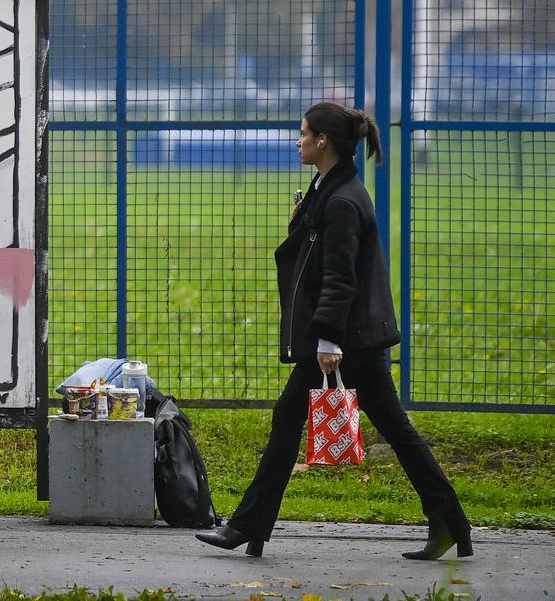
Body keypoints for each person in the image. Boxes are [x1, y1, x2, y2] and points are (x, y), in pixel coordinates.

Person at [197, 102, 471, 560]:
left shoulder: (342, 200)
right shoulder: (331, 186)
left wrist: (328, 341)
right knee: (386, 430)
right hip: (353, 337)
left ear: (323, 140)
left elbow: (340, 277)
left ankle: (249, 525)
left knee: (295, 421)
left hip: (345, 340)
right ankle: (450, 522)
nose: (298, 140)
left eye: (303, 133)